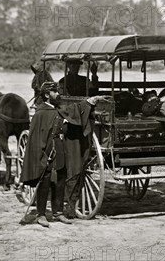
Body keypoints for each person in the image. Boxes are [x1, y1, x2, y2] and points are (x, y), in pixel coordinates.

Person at [20, 82, 109, 227]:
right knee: (45, 182)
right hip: (46, 154)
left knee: (60, 180)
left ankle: (58, 212)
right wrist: (41, 157)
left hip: (60, 150)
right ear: (47, 95)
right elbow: (35, 140)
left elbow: (73, 111)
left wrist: (90, 101)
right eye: (55, 92)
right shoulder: (40, 114)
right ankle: (41, 214)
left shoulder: (58, 110)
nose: (58, 94)